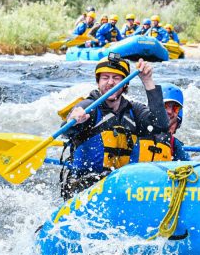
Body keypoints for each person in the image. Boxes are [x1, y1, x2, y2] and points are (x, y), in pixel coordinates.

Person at [61, 55, 169, 196]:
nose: (110, 83)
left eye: (116, 78)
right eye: (105, 78)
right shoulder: (88, 107)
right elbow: (65, 131)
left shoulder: (134, 111)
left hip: (121, 190)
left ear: (125, 84)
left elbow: (161, 125)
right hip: (85, 188)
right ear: (98, 82)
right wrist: (75, 121)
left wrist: (148, 81)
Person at [132, 83, 189, 162]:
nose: (169, 111)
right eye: (164, 106)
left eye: (175, 108)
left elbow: (194, 170)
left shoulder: (174, 145)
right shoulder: (137, 130)